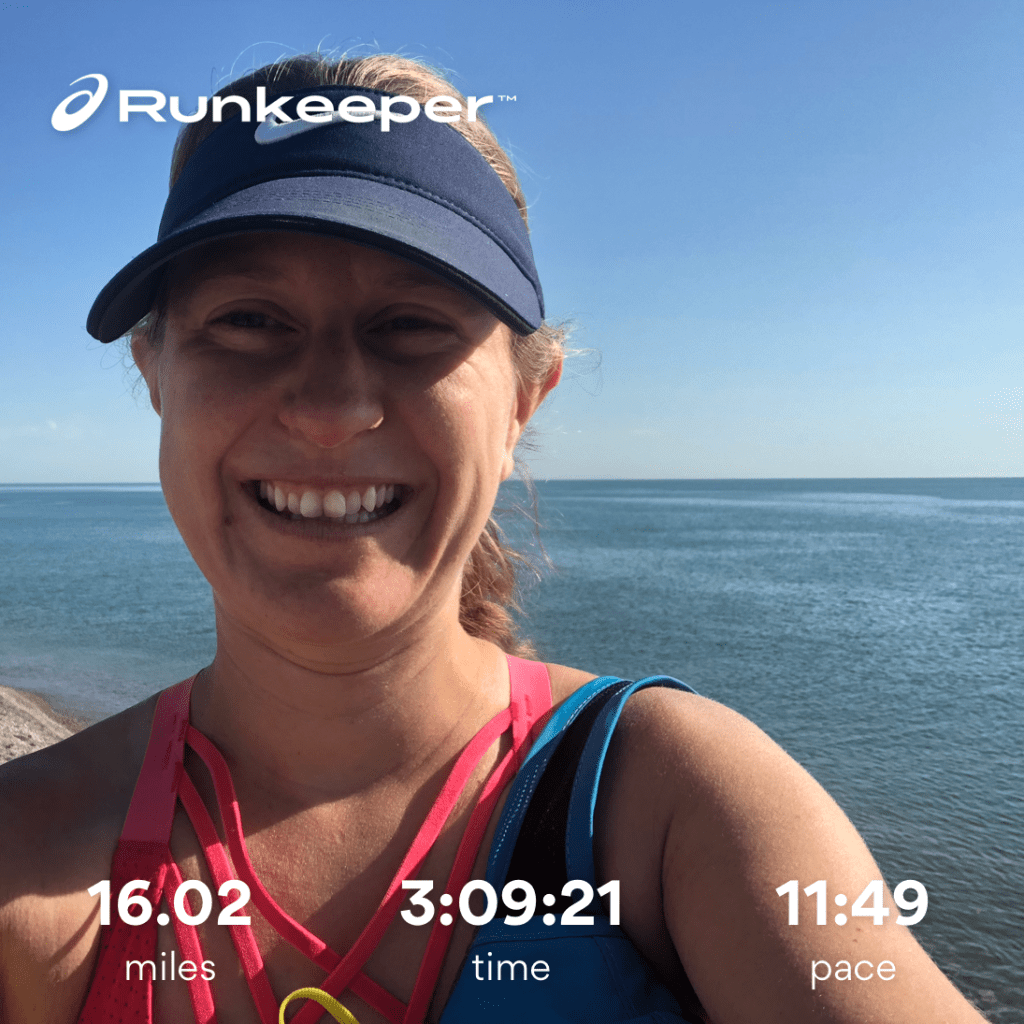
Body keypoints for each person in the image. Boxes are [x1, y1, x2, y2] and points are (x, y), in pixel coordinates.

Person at [0, 54, 986, 1024]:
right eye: (250, 319)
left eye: (409, 323)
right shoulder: (26, 857)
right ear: (157, 376)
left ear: (523, 400)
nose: (332, 408)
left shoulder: (673, 808)